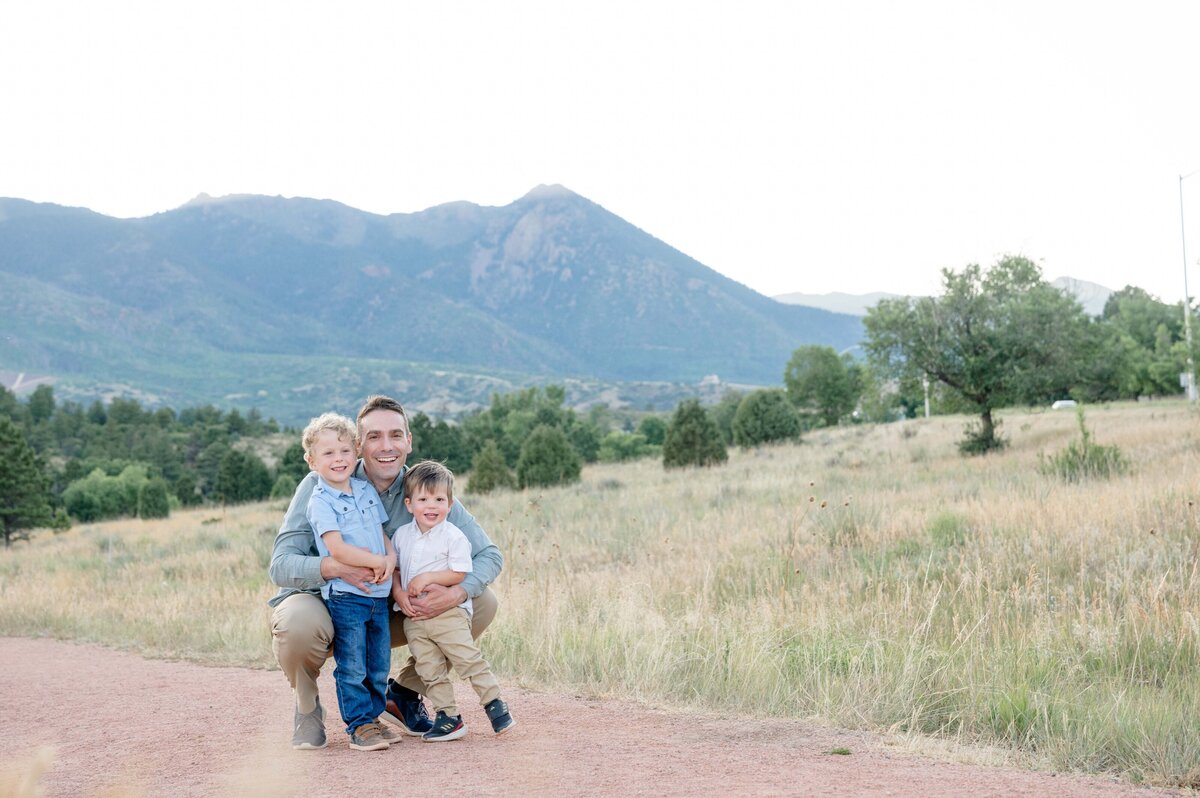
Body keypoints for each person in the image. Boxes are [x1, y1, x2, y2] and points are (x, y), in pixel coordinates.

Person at [269, 395, 503, 750]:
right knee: (296, 623)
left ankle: (404, 695)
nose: (386, 446)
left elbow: (489, 555)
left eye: (396, 435)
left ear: (409, 441)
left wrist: (456, 592)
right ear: (359, 445)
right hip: (329, 605)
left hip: (392, 607)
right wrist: (334, 567)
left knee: (481, 601)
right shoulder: (318, 486)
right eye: (374, 437)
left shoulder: (425, 490)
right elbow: (281, 565)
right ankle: (308, 708)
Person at [392, 460, 515, 741]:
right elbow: (396, 570)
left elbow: (460, 571)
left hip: (448, 614)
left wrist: (426, 579)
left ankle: (495, 706)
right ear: (409, 504)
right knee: (430, 670)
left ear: (450, 504)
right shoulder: (402, 536)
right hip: (415, 619)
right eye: (423, 499)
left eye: (439, 499)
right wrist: (399, 593)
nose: (431, 506)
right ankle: (448, 717)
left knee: (467, 660)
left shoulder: (453, 536)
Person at [300, 412, 397, 752]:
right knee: (352, 664)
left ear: (355, 452)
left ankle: (373, 718)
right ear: (312, 461)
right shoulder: (320, 501)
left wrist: (391, 559)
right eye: (328, 454)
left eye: (344, 451)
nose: (338, 459)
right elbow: (337, 548)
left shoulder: (364, 489)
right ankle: (357, 725)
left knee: (378, 664)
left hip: (379, 595)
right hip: (347, 597)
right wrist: (377, 562)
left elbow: (382, 534)